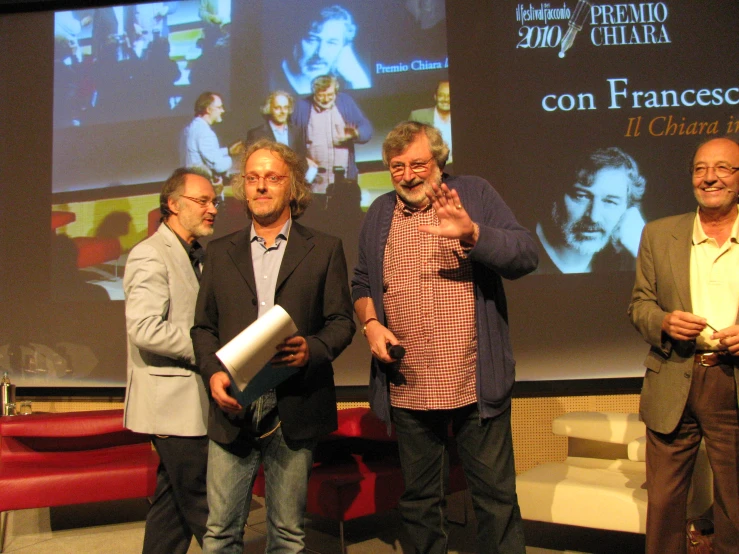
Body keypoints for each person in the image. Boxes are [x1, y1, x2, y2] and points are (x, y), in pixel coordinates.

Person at [352, 121, 537, 554]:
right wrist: (371, 324)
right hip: (409, 383)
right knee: (419, 503)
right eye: (397, 167)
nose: (409, 175)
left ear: (439, 161)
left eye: (418, 163)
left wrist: (472, 233)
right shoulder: (380, 212)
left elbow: (526, 254)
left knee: (494, 498)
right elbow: (362, 283)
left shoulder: (473, 194)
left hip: (474, 381)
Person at [191, 139, 355, 553]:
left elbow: (341, 322)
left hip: (295, 404)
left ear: (292, 186)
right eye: (253, 178)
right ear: (242, 187)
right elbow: (202, 329)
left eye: (272, 177)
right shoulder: (219, 251)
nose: (261, 186)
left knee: (287, 535)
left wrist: (311, 350)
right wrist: (212, 374)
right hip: (233, 405)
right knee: (220, 535)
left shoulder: (325, 248)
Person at [628, 136, 739, 554]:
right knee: (665, 504)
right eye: (700, 169)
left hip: (732, 381)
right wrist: (664, 321)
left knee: (734, 502)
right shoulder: (659, 234)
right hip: (674, 375)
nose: (709, 178)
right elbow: (639, 305)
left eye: (723, 168)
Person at [123, 167, 218, 554]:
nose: (213, 208)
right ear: (173, 205)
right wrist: (205, 347)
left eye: (215, 201)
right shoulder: (149, 253)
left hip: (187, 405)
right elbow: (144, 328)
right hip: (170, 408)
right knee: (206, 508)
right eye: (203, 201)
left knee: (172, 510)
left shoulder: (196, 256)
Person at [535, 146, 646, 274]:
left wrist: (643, 249)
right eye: (581, 196)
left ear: (627, 209)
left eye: (610, 202)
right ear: (556, 195)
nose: (594, 216)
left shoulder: (624, 260)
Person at [292, 75, 371, 195]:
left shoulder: (345, 102)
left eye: (330, 95)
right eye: (321, 96)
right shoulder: (302, 107)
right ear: (314, 92)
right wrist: (303, 160)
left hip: (344, 181)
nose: (326, 99)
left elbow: (366, 129)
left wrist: (356, 133)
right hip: (313, 182)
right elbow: (290, 140)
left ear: (336, 92)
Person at [273, 4, 370, 95]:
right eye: (312, 39)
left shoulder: (342, 84)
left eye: (332, 43)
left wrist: (358, 79)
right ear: (294, 39)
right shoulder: (271, 82)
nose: (321, 53)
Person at [180, 91, 244, 187]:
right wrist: (233, 160)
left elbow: (206, 153)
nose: (222, 111)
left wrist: (228, 151)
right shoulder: (205, 133)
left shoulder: (191, 128)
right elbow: (219, 166)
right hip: (201, 185)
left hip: (191, 182)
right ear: (209, 110)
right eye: (219, 107)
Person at [246, 90, 306, 156]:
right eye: (277, 108)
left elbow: (302, 161)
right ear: (269, 109)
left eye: (285, 108)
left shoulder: (296, 132)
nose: (282, 111)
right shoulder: (256, 134)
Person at [409, 80, 452, 161]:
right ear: (435, 96)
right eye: (442, 95)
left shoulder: (464, 119)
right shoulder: (418, 117)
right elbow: (409, 146)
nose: (445, 99)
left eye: (449, 96)